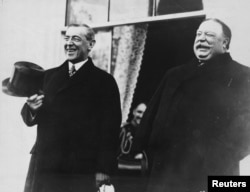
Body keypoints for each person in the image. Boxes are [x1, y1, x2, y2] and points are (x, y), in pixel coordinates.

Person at [132, 18, 250, 192]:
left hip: (211, 174)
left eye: (209, 35)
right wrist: (142, 152)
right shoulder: (174, 75)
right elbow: (150, 119)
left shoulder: (242, 76)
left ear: (225, 43)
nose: (201, 39)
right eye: (198, 34)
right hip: (165, 175)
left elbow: (244, 133)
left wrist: (212, 164)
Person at [21, 24, 122, 192]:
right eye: (66, 38)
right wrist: (32, 109)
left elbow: (110, 129)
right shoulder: (48, 76)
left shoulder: (104, 81)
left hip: (80, 168)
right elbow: (31, 119)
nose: (69, 43)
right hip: (46, 164)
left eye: (76, 38)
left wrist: (103, 168)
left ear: (90, 44)